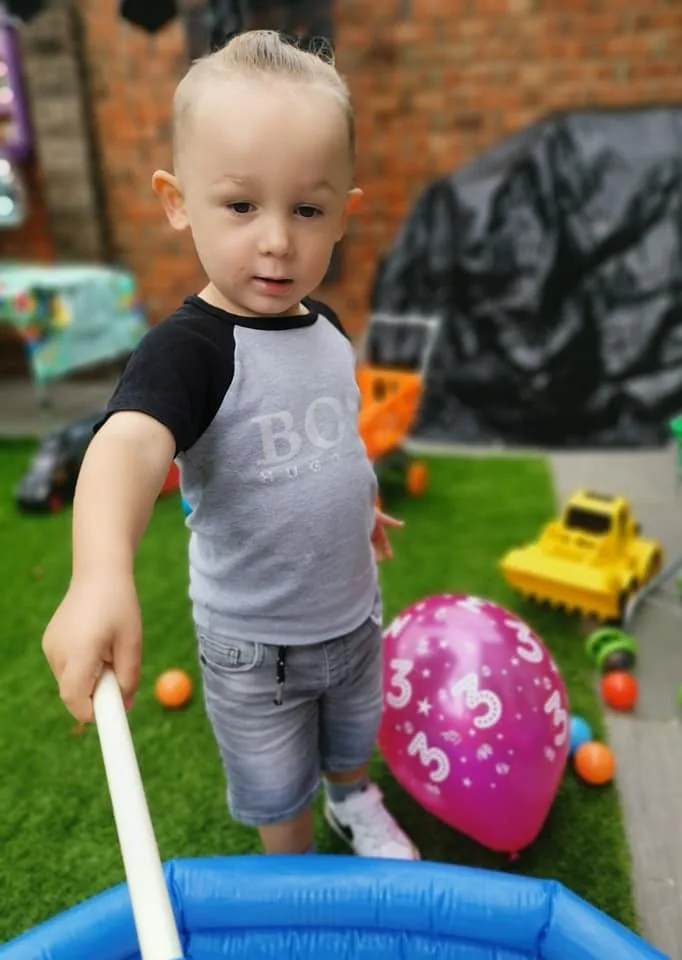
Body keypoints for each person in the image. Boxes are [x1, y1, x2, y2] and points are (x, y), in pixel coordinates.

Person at [41, 29, 419, 861]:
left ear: (343, 215)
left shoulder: (327, 327)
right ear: (178, 201)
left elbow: (334, 438)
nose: (278, 239)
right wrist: (100, 573)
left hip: (352, 613)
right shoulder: (192, 351)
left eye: (307, 209)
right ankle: (293, 874)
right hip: (260, 648)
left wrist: (360, 505)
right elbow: (127, 446)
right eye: (242, 206)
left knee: (353, 732)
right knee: (277, 788)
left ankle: (353, 797)